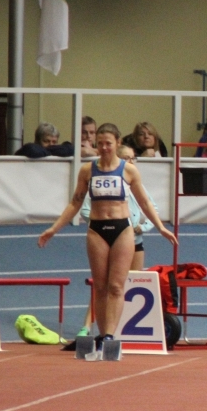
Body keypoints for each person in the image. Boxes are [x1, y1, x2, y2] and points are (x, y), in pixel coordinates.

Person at [39, 123, 176, 355]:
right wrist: (54, 229)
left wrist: (161, 227)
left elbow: (144, 202)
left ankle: (110, 335)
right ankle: (103, 335)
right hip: (97, 230)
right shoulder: (87, 170)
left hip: (123, 230)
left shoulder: (128, 171)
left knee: (116, 286)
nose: (103, 148)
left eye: (108, 144)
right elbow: (75, 203)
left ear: (118, 143)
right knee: (100, 287)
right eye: (100, 144)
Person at [74, 144, 154, 339]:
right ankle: (89, 326)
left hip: (132, 240)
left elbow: (151, 207)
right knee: (102, 286)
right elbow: (83, 208)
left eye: (133, 158)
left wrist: (143, 227)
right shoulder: (99, 179)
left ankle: (121, 330)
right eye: (126, 158)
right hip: (104, 235)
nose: (130, 161)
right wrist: (103, 220)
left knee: (123, 285)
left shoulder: (135, 180)